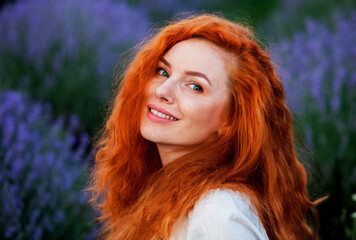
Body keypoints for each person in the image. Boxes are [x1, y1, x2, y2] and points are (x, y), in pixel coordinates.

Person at [89, 14, 320, 240]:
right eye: (163, 72)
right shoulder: (162, 190)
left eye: (194, 86)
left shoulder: (217, 213)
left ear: (231, 121)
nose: (162, 91)